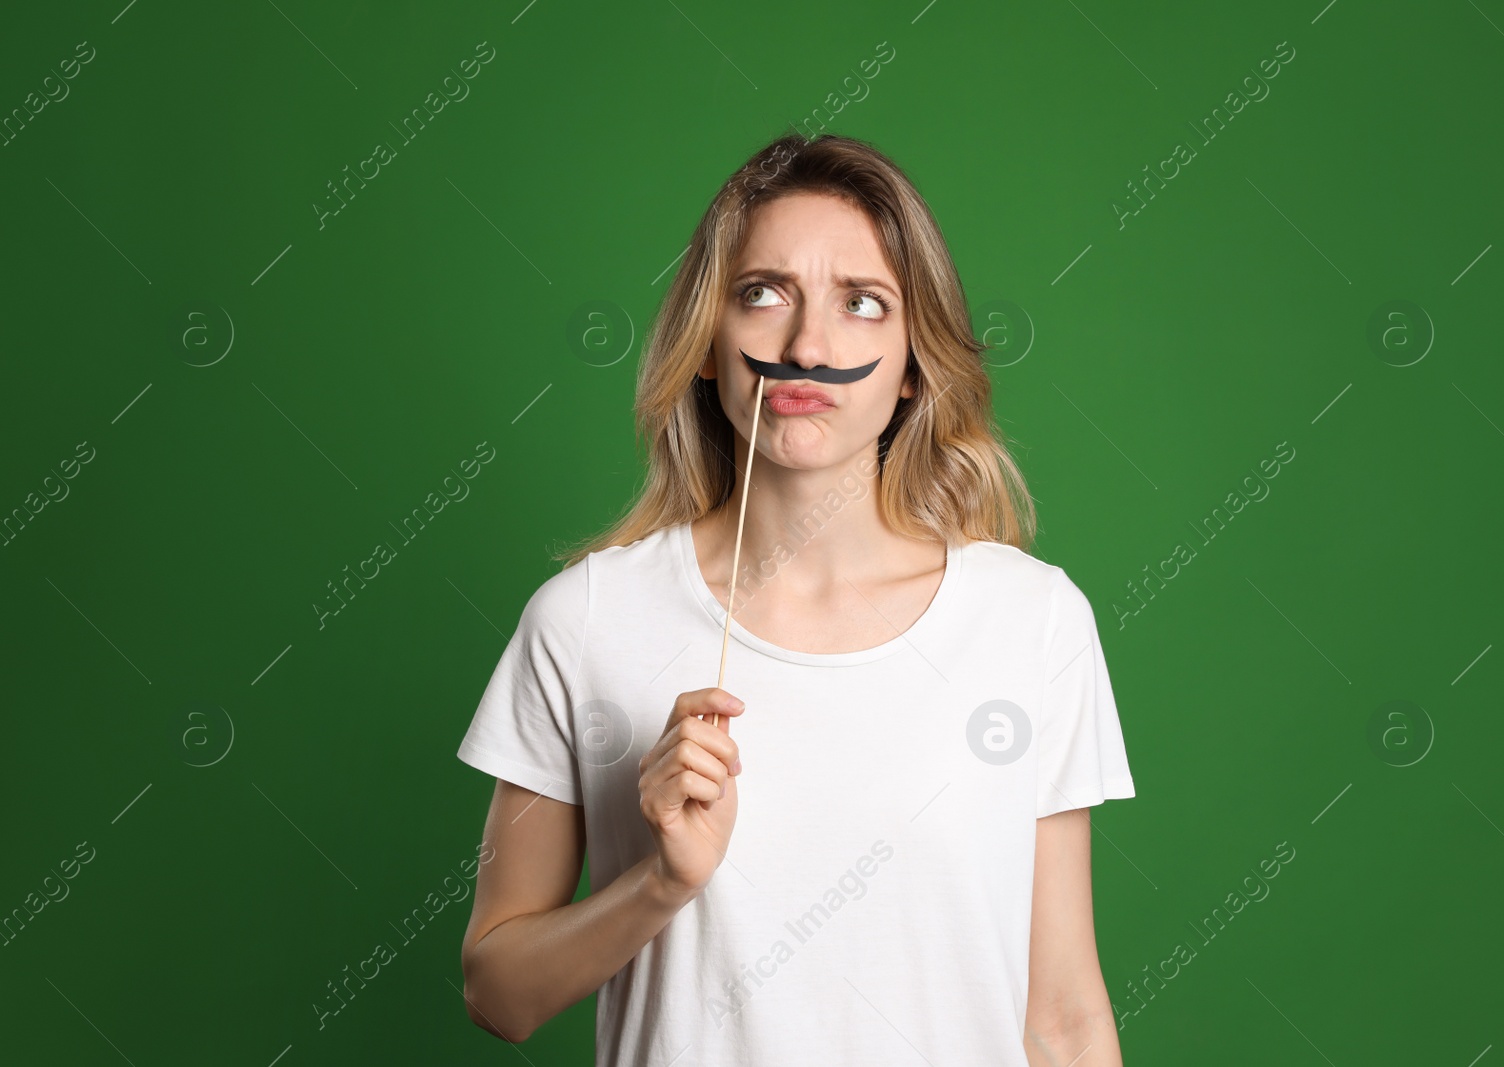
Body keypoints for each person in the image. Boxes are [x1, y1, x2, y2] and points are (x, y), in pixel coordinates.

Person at [455, 132, 1136, 1066]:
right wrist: (659, 881)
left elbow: (1062, 1018)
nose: (809, 345)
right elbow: (498, 992)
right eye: (764, 293)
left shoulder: (1033, 622)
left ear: (911, 366)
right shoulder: (583, 622)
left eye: (863, 304)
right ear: (706, 344)